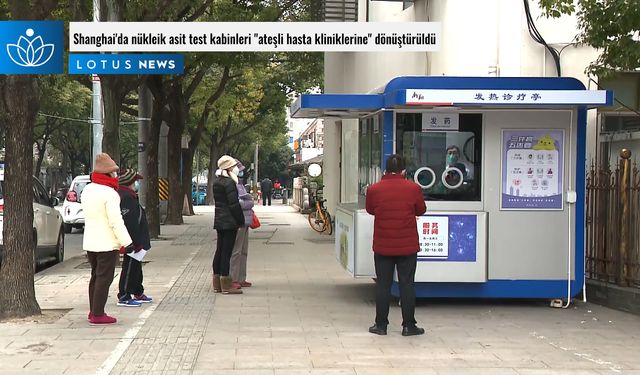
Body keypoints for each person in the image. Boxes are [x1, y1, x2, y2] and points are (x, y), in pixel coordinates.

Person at [365, 154, 427, 336]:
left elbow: (370, 209)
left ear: (385, 170)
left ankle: (381, 325)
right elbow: (421, 210)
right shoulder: (413, 188)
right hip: (407, 246)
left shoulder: (374, 189)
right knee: (407, 284)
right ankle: (409, 326)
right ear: (404, 171)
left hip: (383, 245)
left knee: (383, 284)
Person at [81, 153, 132, 325]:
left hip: (90, 241)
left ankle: (93, 310)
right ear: (109, 173)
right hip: (106, 242)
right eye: (114, 172)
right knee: (105, 277)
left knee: (95, 276)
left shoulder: (87, 190)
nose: (116, 175)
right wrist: (127, 242)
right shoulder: (110, 193)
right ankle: (98, 313)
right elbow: (115, 221)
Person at [116, 169, 152, 307]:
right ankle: (124, 294)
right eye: (135, 181)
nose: (136, 183)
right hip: (132, 240)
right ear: (129, 182)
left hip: (138, 239)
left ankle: (138, 291)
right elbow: (130, 221)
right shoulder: (126, 197)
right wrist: (135, 242)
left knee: (136, 266)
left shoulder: (130, 195)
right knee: (130, 266)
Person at [212, 155, 245, 295]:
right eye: (233, 166)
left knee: (219, 250)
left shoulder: (217, 182)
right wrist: (240, 220)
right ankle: (226, 284)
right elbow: (233, 204)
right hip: (230, 221)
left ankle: (217, 282)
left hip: (219, 220)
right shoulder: (229, 183)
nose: (236, 169)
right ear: (228, 168)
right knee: (227, 252)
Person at [230, 160, 254, 289]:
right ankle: (233, 278)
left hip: (246, 221)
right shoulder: (232, 184)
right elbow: (239, 203)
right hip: (238, 220)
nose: (241, 172)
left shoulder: (240, 184)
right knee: (236, 251)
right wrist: (249, 202)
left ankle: (241, 278)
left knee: (243, 250)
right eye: (239, 169)